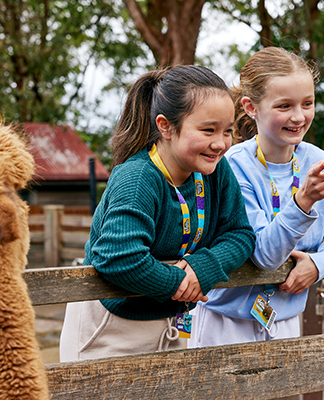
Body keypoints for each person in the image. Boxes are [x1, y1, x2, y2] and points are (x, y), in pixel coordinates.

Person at [59, 65, 256, 361]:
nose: (221, 143)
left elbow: (240, 234)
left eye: (227, 131)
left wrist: (204, 267)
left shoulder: (214, 170)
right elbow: (118, 256)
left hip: (173, 323)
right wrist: (178, 282)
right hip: (112, 326)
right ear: (165, 126)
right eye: (208, 130)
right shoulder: (138, 179)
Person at [189, 47, 324, 347]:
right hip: (226, 324)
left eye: (308, 103)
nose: (298, 116)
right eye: (284, 106)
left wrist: (320, 263)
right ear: (251, 107)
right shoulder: (231, 167)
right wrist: (303, 202)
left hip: (284, 321)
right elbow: (264, 255)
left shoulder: (319, 161)